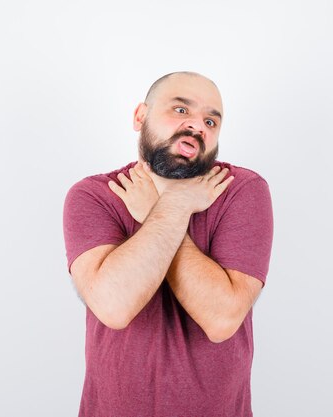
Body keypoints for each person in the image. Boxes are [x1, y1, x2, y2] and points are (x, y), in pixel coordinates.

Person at [63, 71, 274, 417]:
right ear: (140, 116)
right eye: (180, 110)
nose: (197, 126)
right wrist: (175, 206)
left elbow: (222, 318)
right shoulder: (93, 196)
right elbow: (114, 306)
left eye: (210, 120)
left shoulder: (241, 190)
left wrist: (157, 210)